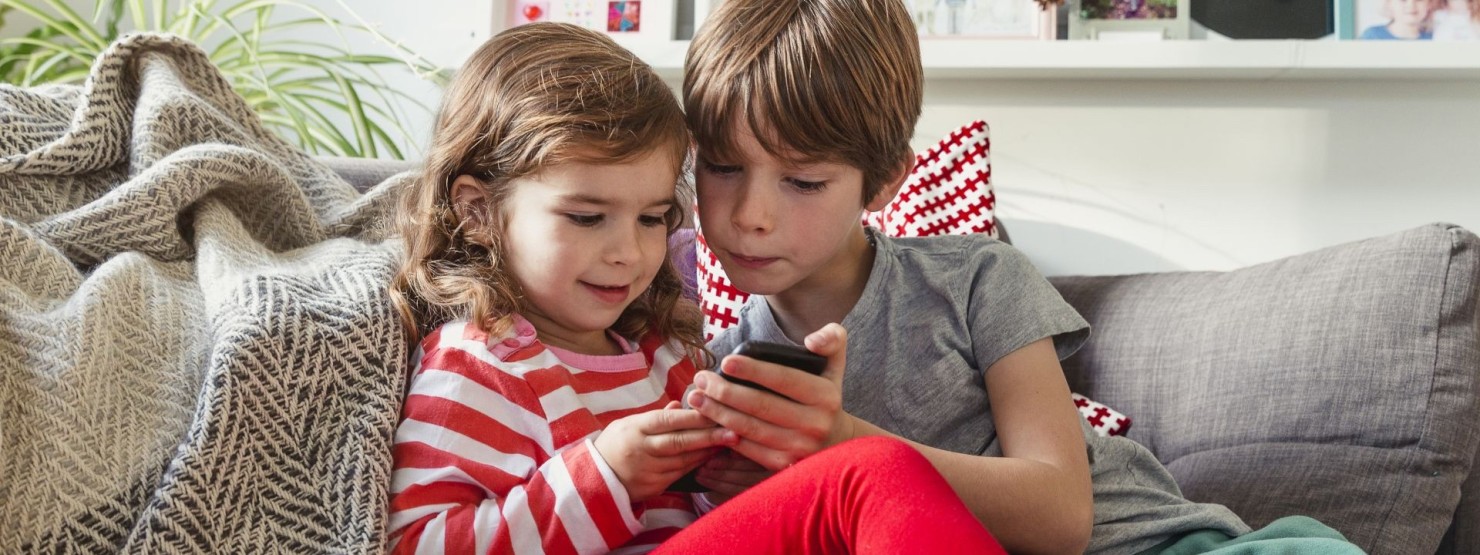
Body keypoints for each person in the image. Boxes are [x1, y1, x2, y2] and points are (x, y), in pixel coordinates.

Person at [678, 1, 1365, 554]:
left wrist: (842, 443)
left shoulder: (976, 278)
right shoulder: (723, 363)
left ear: (885, 181)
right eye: (722, 165)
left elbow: (1059, 517)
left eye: (802, 180)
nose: (750, 215)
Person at [385, 21, 1006, 555]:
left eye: (653, 218)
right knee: (876, 471)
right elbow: (417, 544)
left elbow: (705, 518)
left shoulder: (667, 359)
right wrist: (604, 478)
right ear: (477, 212)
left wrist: (743, 477)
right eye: (585, 217)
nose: (628, 252)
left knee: (867, 483)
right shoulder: (475, 367)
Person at [1360, 0, 1434, 39]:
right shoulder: (1372, 36)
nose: (1411, 5)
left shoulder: (1434, 37)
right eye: (1403, 0)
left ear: (1429, 3)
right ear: (1389, 3)